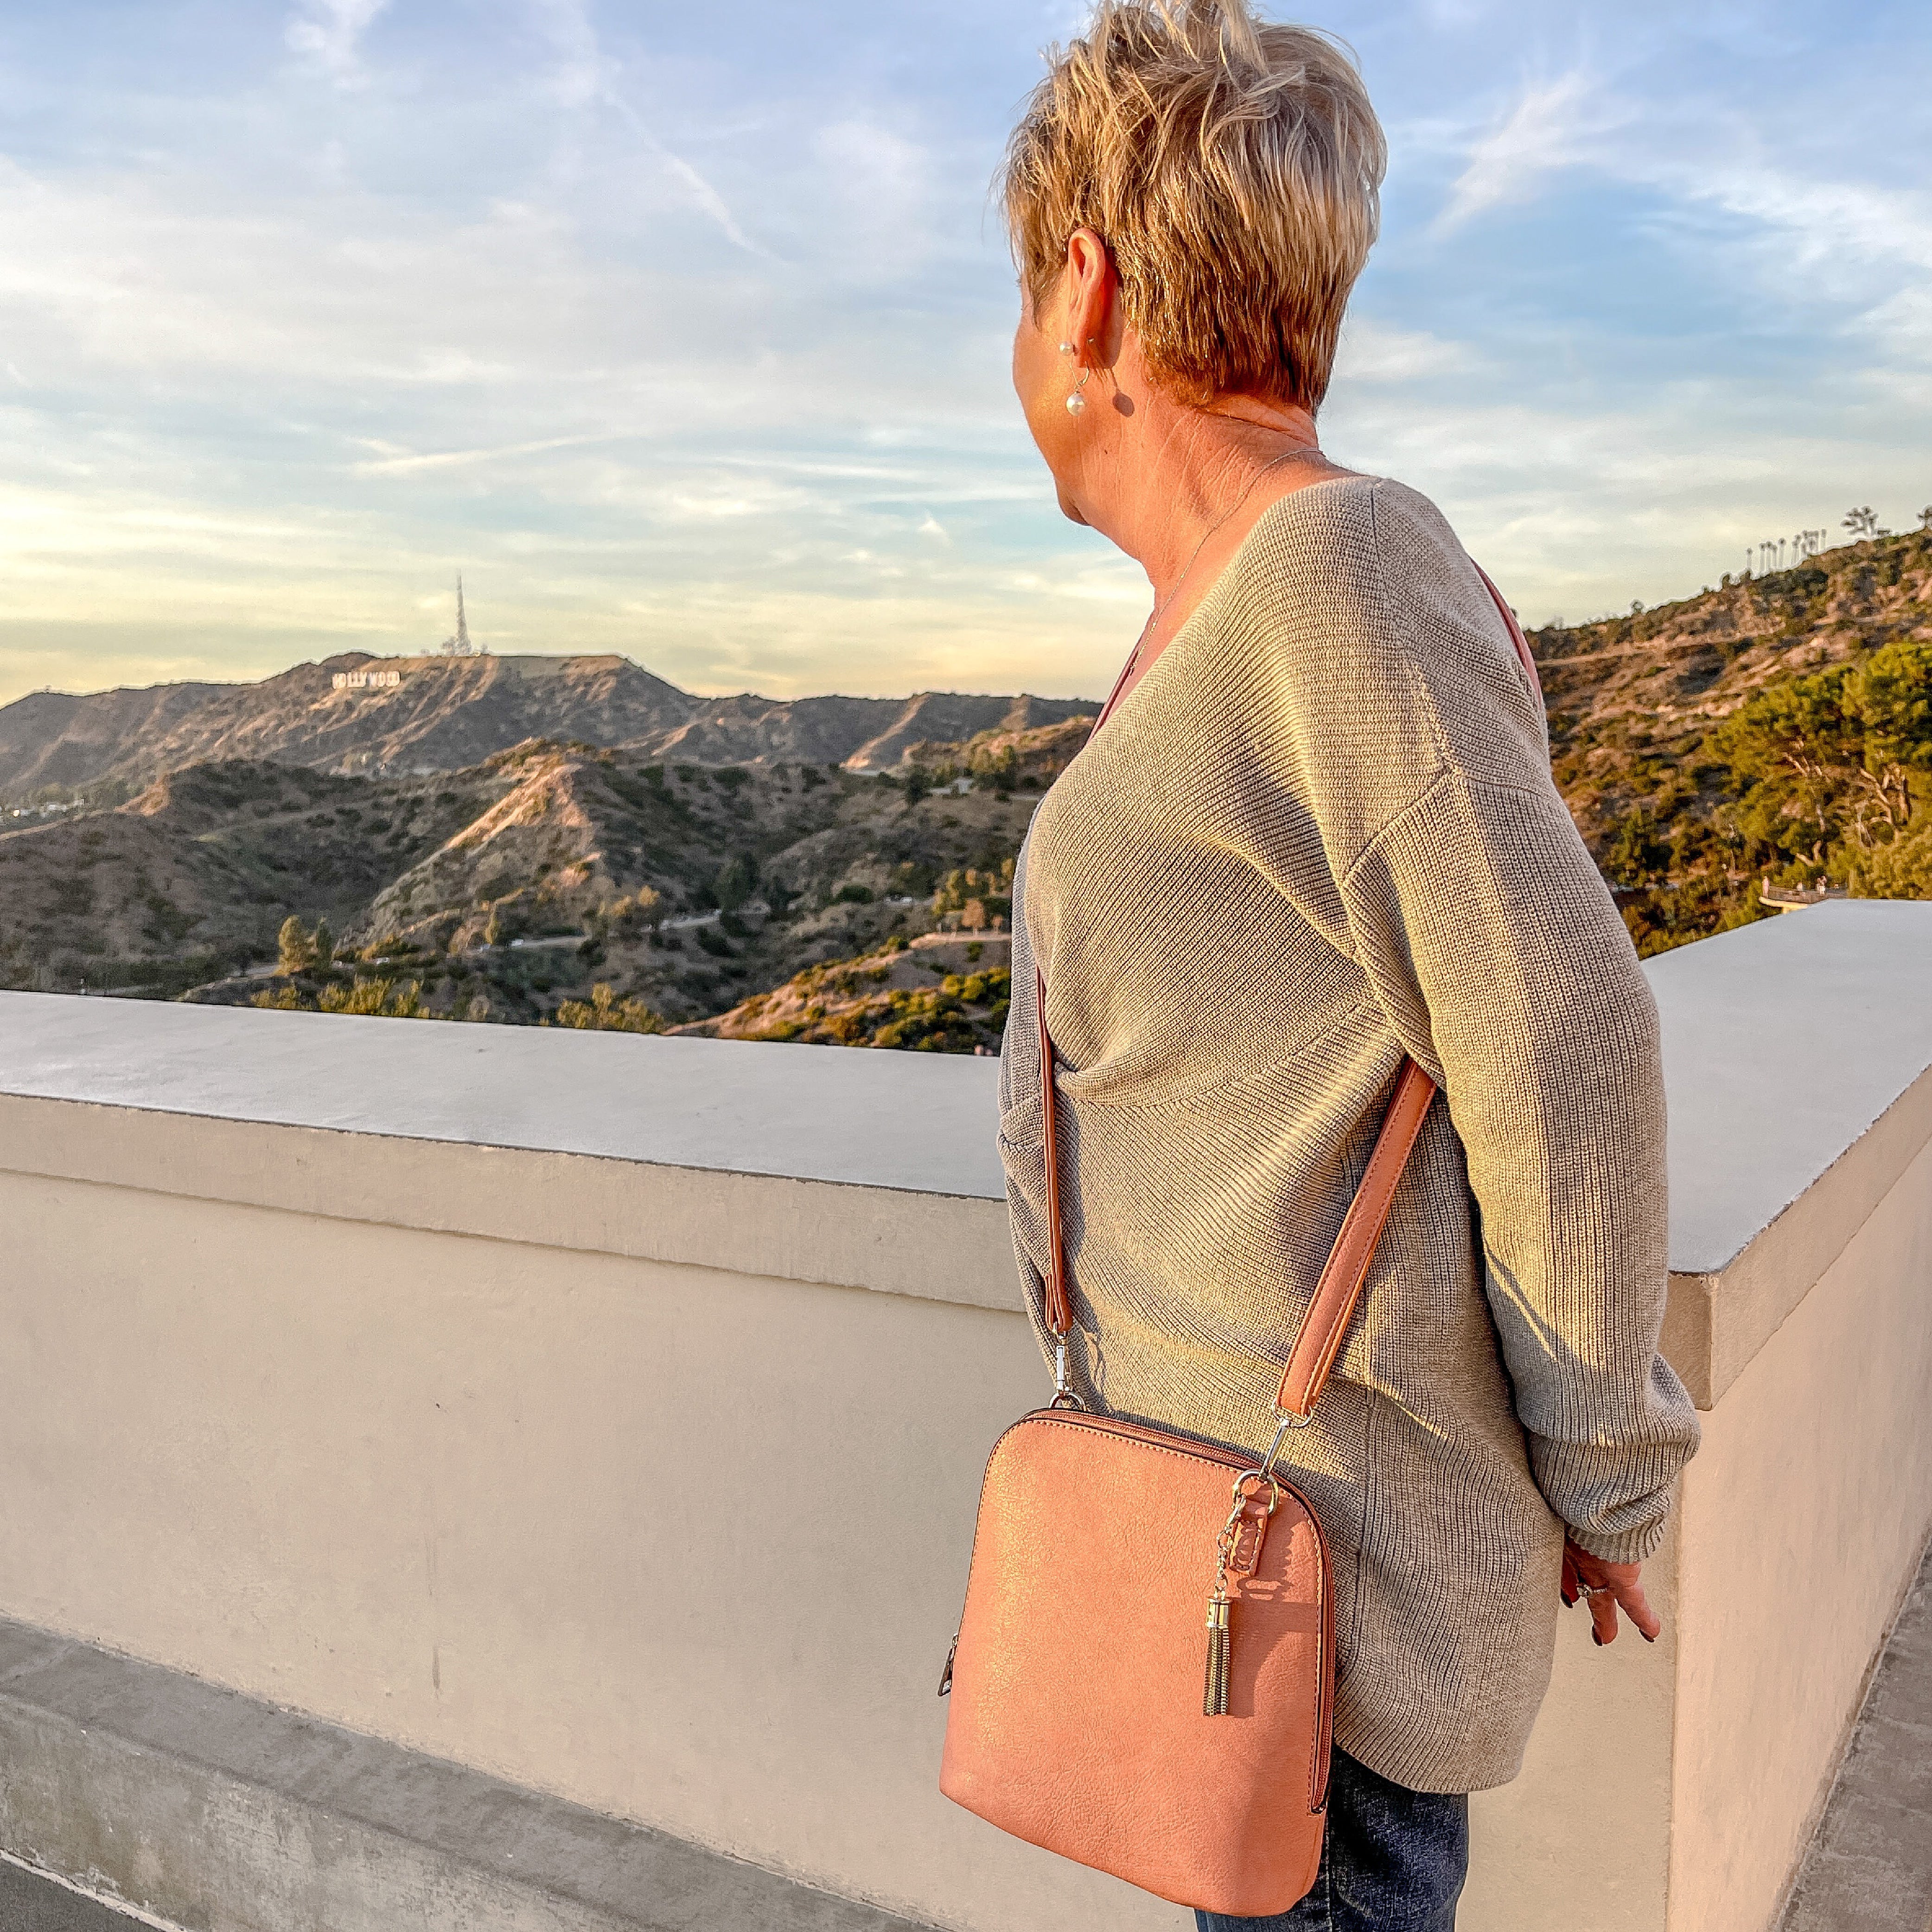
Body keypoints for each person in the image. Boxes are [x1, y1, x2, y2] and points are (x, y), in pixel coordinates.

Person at [992, 4, 1701, 1926]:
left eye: (1024, 302)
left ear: (1086, 289)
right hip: (1218, 1567)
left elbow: (1560, 1037)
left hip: (1317, 1614)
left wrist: (1609, 1468)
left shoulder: (1335, 571)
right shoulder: (1237, 604)